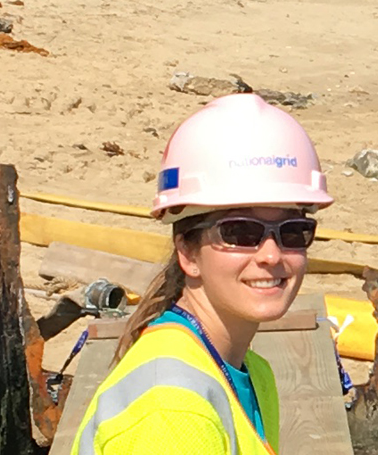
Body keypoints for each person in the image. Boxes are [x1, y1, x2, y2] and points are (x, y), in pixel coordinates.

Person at [71, 93, 334, 455]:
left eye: (293, 232)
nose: (272, 255)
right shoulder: (173, 414)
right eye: (240, 232)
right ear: (188, 252)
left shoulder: (252, 373)